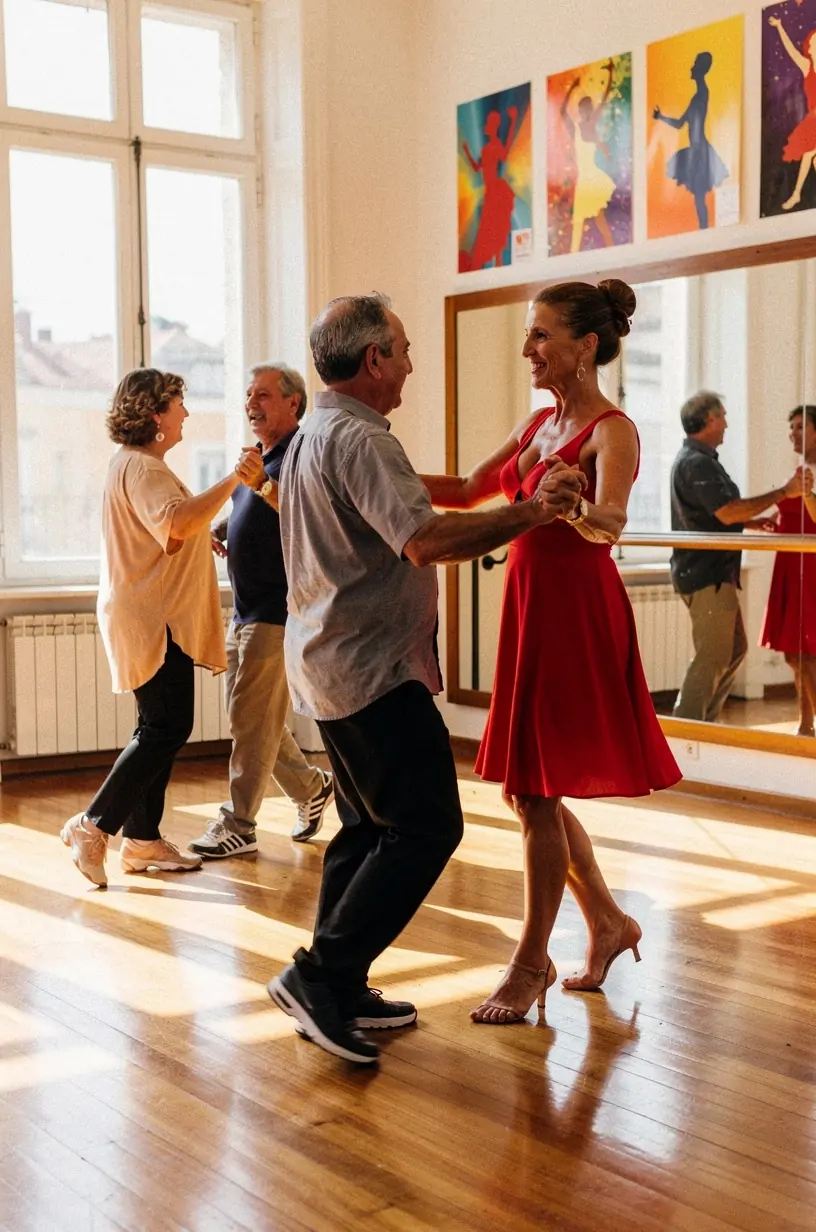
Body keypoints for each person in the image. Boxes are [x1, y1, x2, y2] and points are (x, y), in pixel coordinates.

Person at [267, 292, 585, 1064]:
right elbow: (427, 539)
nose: (410, 362)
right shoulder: (362, 440)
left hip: (330, 663)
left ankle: (338, 985)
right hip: (369, 669)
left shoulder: (318, 428)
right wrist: (532, 512)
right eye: (404, 349)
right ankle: (321, 975)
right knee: (426, 827)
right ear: (374, 359)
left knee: (367, 828)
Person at [423, 279, 681, 1027]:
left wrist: (569, 507)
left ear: (585, 346)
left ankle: (531, 961)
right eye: (530, 334)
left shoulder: (612, 429)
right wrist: (370, 474)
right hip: (531, 610)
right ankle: (607, 921)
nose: (528, 349)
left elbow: (610, 525)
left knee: (533, 791)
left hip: (576, 614)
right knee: (525, 789)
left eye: (541, 335)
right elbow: (472, 488)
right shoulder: (538, 421)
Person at [61, 368, 264, 887]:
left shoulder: (134, 464)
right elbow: (175, 522)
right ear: (155, 413)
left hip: (148, 612)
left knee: (156, 725)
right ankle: (94, 826)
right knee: (166, 727)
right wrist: (235, 481)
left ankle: (143, 839)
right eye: (178, 404)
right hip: (154, 616)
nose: (186, 414)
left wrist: (202, 539)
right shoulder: (144, 468)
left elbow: (172, 534)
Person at [188, 365, 333, 859]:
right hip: (245, 610)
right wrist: (227, 528)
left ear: (294, 404)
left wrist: (260, 487)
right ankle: (312, 788)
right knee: (252, 718)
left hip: (278, 609)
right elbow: (257, 509)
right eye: (249, 394)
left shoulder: (302, 454)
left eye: (264, 395)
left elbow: (312, 518)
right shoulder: (260, 456)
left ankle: (240, 824)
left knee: (251, 722)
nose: (252, 403)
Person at [670, 390, 808, 723]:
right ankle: (687, 729)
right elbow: (727, 513)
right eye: (723, 417)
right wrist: (783, 493)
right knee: (714, 655)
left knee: (733, 650)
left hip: (712, 573)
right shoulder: (697, 462)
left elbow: (713, 514)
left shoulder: (698, 460)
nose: (727, 424)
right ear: (710, 419)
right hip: (707, 574)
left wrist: (752, 521)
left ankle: (705, 723)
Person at [760, 406, 816, 735]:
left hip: (810, 567)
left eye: (800, 427)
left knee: (807, 652)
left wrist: (805, 492)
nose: (792, 433)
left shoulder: (810, 474)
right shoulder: (799, 469)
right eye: (790, 427)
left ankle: (807, 723)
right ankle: (806, 722)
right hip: (789, 564)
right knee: (794, 653)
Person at [653, 52, 729, 230]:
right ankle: (704, 231)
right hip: (696, 149)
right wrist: (660, 117)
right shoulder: (697, 95)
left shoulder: (702, 93)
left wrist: (694, 157)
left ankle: (704, 231)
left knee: (699, 197)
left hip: (699, 151)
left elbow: (689, 126)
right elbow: (680, 123)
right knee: (698, 198)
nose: (691, 67)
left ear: (701, 68)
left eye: (695, 64)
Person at [560, 60, 617, 252]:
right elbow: (562, 112)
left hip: (591, 178)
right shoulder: (577, 129)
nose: (588, 111)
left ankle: (611, 250)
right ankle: (579, 257)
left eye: (589, 109)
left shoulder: (590, 127)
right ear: (581, 110)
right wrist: (572, 89)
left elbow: (606, 96)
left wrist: (611, 74)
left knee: (594, 220)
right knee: (582, 221)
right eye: (585, 108)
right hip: (585, 179)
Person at [460, 106, 519, 271]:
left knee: (495, 227)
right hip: (489, 192)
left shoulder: (494, 145)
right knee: (490, 228)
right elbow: (476, 167)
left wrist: (513, 121)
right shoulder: (485, 149)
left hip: (495, 190)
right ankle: (495, 264)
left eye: (489, 124)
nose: (485, 127)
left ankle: (499, 264)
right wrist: (466, 151)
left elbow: (506, 152)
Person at [768, 17, 816, 211]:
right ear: (810, 49)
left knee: (809, 154)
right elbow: (790, 50)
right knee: (811, 156)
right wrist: (780, 26)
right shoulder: (807, 67)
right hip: (814, 119)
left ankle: (796, 194)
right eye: (814, 43)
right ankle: (796, 194)